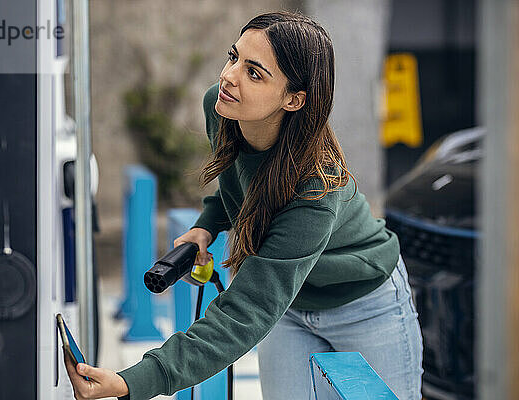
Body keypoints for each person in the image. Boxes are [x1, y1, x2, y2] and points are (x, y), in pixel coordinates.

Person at [63, 10, 424, 400]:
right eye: (233, 57)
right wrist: (208, 225)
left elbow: (245, 310)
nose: (229, 77)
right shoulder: (222, 110)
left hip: (363, 304)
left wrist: (136, 380)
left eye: (254, 73)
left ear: (294, 99)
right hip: (288, 306)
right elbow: (241, 183)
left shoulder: (316, 189)